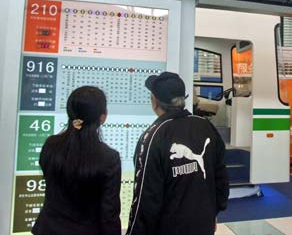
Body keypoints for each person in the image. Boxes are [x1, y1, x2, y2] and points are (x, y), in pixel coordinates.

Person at [126, 72, 229, 235]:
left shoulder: (154, 136)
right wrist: (212, 212)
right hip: (204, 225)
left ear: (154, 100)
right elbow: (221, 177)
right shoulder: (205, 126)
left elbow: (145, 197)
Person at [32, 86, 121, 235]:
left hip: (48, 229)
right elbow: (109, 214)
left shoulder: (50, 146)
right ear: (102, 116)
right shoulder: (109, 158)